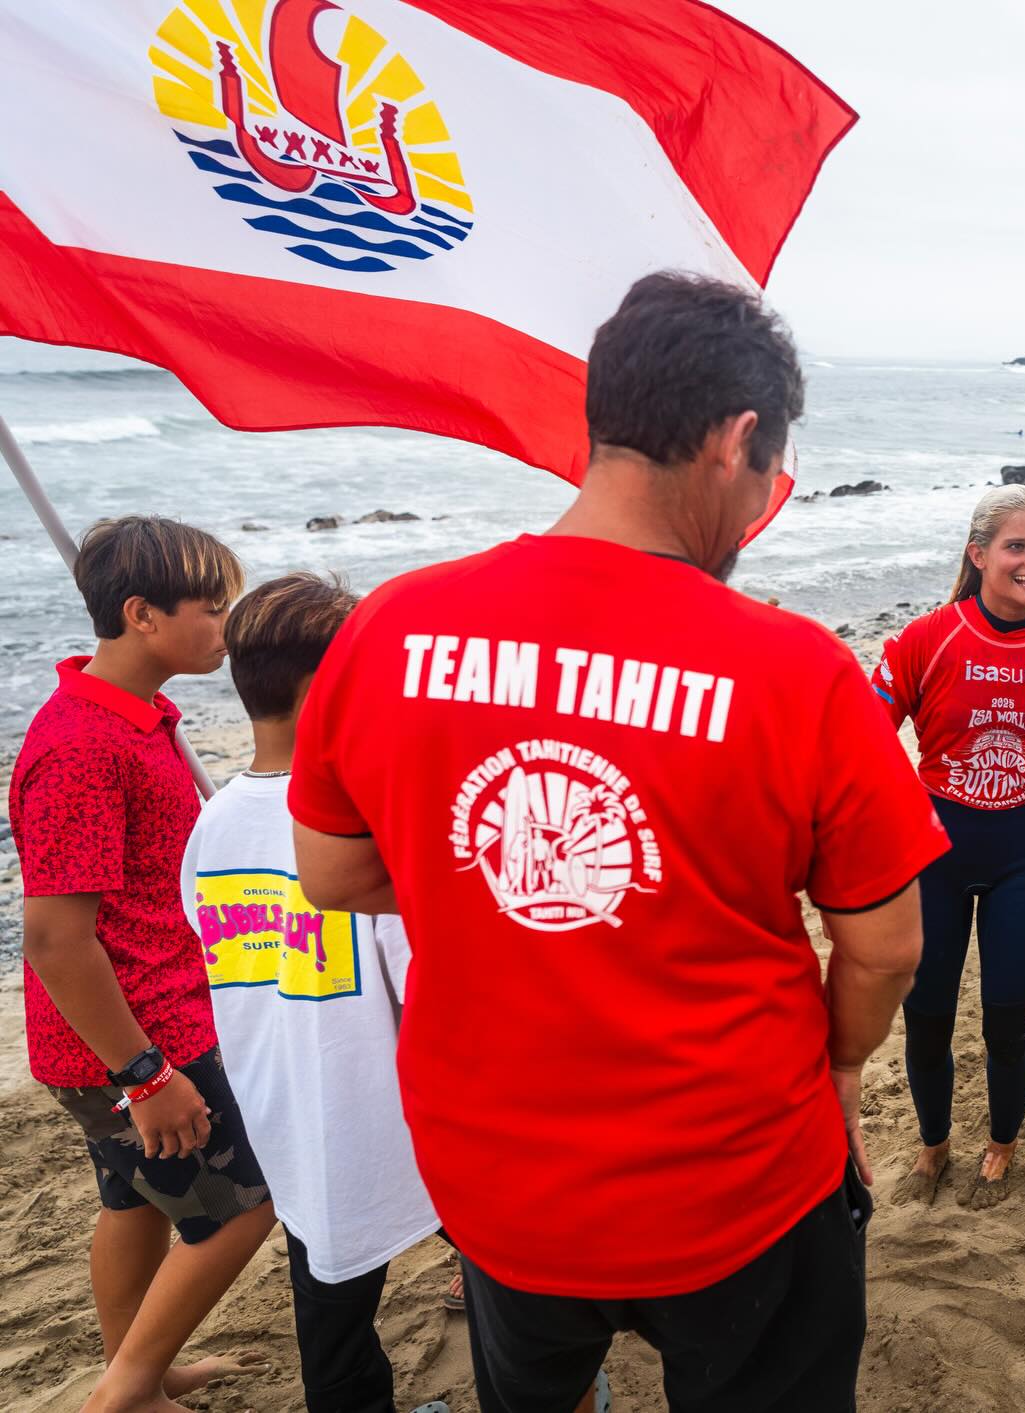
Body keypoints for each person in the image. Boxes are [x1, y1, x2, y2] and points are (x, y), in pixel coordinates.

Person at [287, 272, 950, 1413]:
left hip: (499, 1190)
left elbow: (333, 872)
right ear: (737, 440)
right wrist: (841, 1068)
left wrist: (485, 885)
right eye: (770, 481)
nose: (760, 512)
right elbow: (886, 947)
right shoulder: (797, 671)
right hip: (739, 1181)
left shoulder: (392, 628)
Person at [11, 516, 274, 1413]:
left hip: (145, 1016)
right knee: (241, 1205)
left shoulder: (138, 713)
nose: (226, 623)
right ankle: (123, 1394)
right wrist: (146, 1072)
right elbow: (53, 936)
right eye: (212, 605)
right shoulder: (82, 744)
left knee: (132, 1202)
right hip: (131, 1037)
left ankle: (143, 1365)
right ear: (142, 614)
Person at [179, 573, 453, 1413]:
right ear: (327, 687)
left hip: (285, 1105)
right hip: (394, 1112)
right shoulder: (361, 819)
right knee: (506, 1266)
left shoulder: (214, 822)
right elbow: (427, 986)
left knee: (328, 1305)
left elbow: (215, 943)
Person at [871, 486, 1025, 1208]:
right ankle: (933, 1143)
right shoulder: (927, 638)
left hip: (1020, 857)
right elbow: (861, 739)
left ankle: (1000, 1147)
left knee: (1008, 1019)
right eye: (1018, 546)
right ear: (978, 554)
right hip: (935, 860)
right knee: (927, 1018)